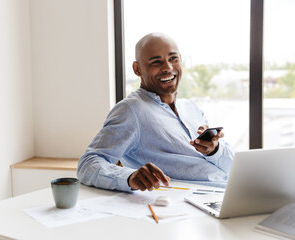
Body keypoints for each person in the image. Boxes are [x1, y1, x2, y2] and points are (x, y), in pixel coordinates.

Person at [77, 33, 234, 192]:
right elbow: (88, 164)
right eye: (156, 62)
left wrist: (214, 150)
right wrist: (130, 177)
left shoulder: (191, 107)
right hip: (193, 201)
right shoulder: (131, 110)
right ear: (137, 69)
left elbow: (232, 165)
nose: (167, 68)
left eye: (173, 59)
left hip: (231, 190)